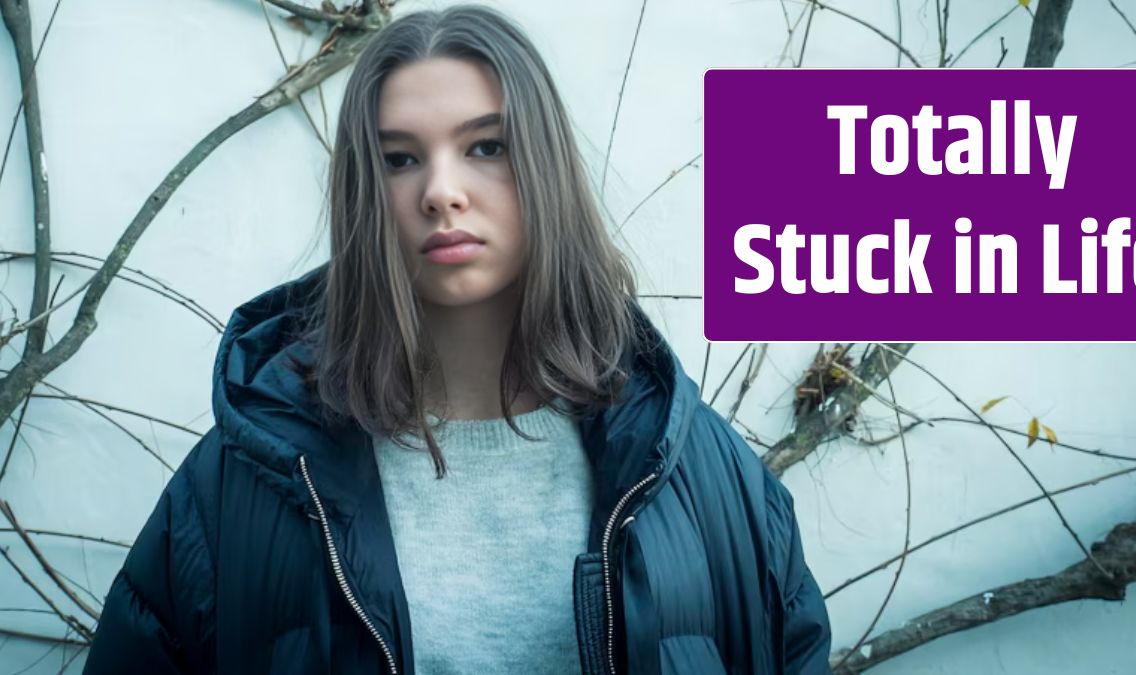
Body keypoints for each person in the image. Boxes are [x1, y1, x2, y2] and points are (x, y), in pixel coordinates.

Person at [83, 5, 832, 674]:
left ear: (543, 166)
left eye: (485, 147)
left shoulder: (703, 472)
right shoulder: (242, 484)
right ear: (363, 194)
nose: (440, 190)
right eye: (400, 158)